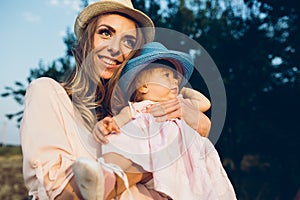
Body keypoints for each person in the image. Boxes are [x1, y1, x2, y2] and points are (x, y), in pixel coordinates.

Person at [20, 1, 211, 200]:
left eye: (128, 42)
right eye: (105, 33)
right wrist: (150, 162)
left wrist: (201, 124)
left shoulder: (139, 111)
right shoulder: (50, 94)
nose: (115, 49)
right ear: (86, 39)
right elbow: (59, 193)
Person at [75, 42, 236, 200]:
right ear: (143, 86)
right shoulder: (137, 108)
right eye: (167, 75)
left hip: (172, 162)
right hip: (144, 153)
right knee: (123, 148)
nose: (175, 81)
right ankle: (103, 175)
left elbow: (204, 103)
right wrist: (107, 125)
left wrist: (183, 91)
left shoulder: (177, 103)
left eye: (176, 78)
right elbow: (118, 121)